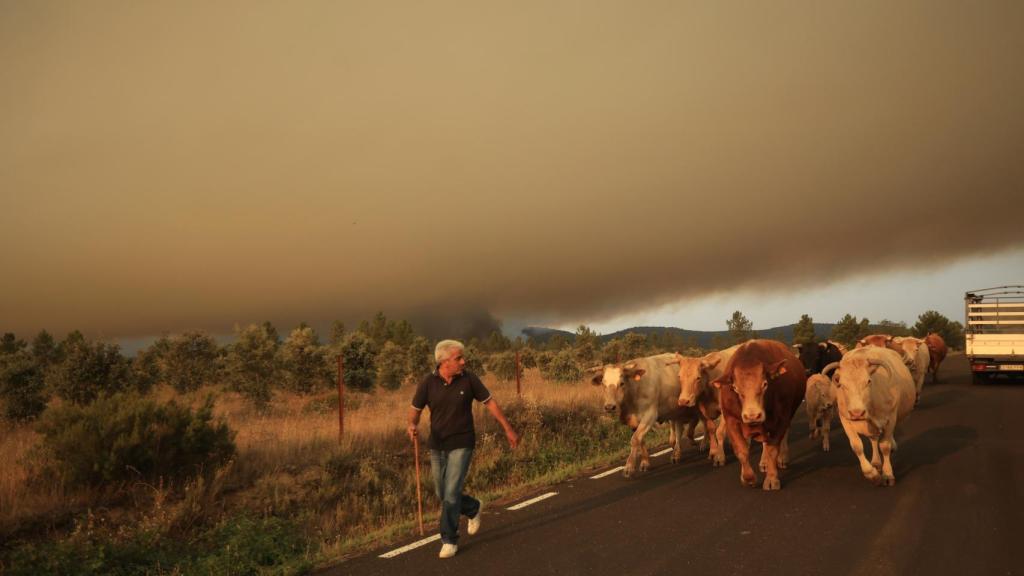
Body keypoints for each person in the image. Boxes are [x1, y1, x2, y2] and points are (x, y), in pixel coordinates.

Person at [407, 339, 519, 559]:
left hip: (463, 442)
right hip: (437, 445)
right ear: (444, 362)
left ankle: (449, 539)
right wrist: (411, 425)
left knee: (450, 492)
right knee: (442, 492)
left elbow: (490, 403)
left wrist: (508, 429)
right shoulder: (428, 383)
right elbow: (415, 411)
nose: (463, 361)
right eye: (458, 358)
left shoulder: (469, 379)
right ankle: (472, 507)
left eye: (462, 357)